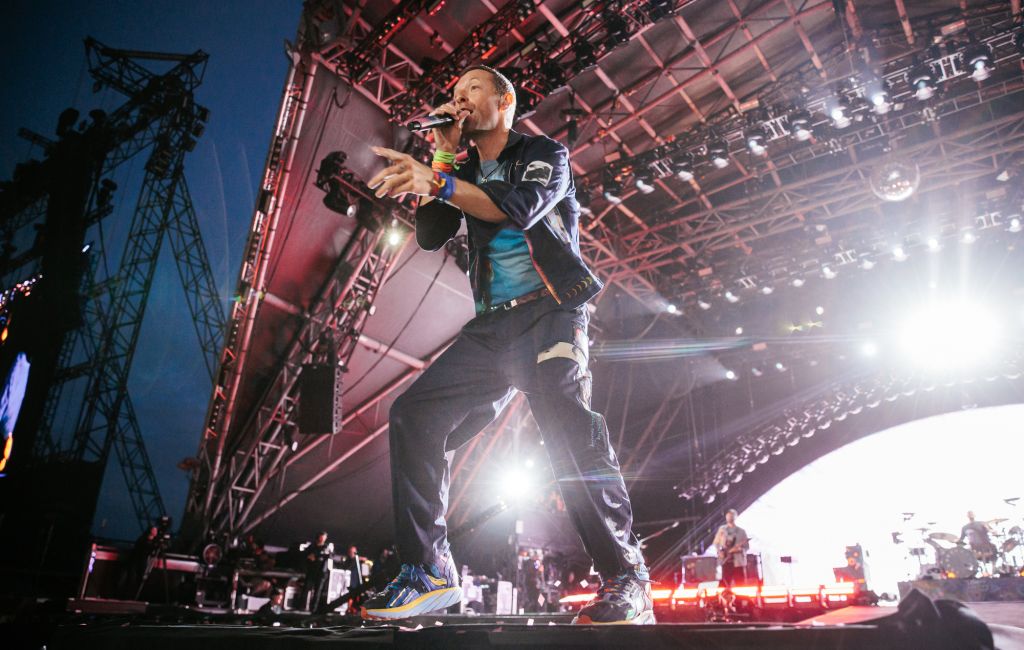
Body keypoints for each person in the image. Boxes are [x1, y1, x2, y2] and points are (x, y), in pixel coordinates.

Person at [361, 65, 652, 625]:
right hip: (493, 328)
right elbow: (430, 235)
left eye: (471, 89)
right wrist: (443, 157)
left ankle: (625, 577)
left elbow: (516, 209)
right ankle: (428, 572)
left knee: (568, 431)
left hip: (552, 314)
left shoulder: (545, 153)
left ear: (504, 100)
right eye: (453, 94)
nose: (460, 100)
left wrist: (438, 180)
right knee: (413, 415)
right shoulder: (462, 166)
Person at [713, 509, 750, 588]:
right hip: (725, 562)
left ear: (735, 517)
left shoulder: (741, 531)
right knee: (725, 584)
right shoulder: (722, 529)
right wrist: (719, 551)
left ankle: (740, 600)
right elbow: (716, 543)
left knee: (740, 584)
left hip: (738, 562)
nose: (729, 518)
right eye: (728, 516)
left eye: (731, 516)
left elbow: (746, 547)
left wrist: (739, 550)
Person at [301, 531, 333, 611]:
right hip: (311, 572)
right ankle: (302, 607)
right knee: (306, 590)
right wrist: (310, 557)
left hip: (321, 573)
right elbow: (306, 555)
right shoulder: (312, 546)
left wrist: (321, 555)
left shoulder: (327, 548)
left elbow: (330, 556)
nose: (322, 539)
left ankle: (313, 609)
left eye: (324, 537)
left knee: (317, 592)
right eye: (321, 537)